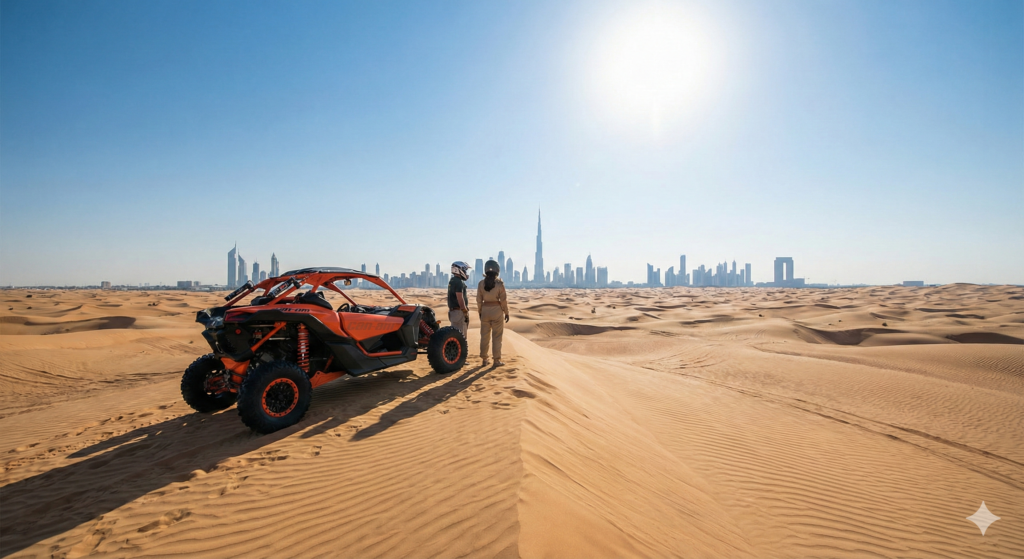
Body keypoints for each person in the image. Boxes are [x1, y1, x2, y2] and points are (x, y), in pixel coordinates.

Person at [476, 259, 509, 367]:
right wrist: (506, 312)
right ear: (497, 270)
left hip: (485, 310)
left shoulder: (481, 284)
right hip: (497, 311)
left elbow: (479, 300)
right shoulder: (500, 284)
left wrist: (480, 311)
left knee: (484, 336)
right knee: (497, 336)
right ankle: (496, 360)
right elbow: (503, 301)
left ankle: (484, 359)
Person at [448, 261, 471, 338]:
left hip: (453, 312)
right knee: (461, 338)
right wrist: (464, 311)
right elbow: (460, 298)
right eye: (464, 270)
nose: (465, 272)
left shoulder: (452, 280)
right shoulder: (459, 282)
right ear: (459, 270)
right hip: (459, 312)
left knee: (455, 337)